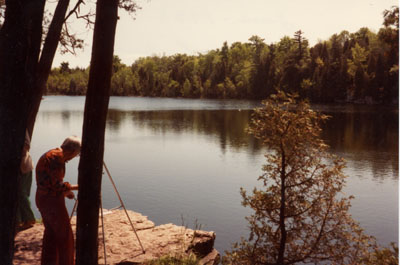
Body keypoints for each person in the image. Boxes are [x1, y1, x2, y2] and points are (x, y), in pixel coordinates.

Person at [35, 136, 81, 265]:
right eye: (76, 155)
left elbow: (51, 182)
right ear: (72, 151)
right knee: (65, 237)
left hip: (43, 198)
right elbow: (56, 185)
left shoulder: (52, 154)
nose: (73, 158)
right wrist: (75, 187)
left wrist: (66, 192)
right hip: (51, 202)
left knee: (51, 235)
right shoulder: (57, 158)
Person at [16, 130, 36, 231]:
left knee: (22, 193)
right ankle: (18, 220)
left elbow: (26, 146)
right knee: (15, 194)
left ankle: (29, 219)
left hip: (24, 166)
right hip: (12, 168)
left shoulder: (20, 126)